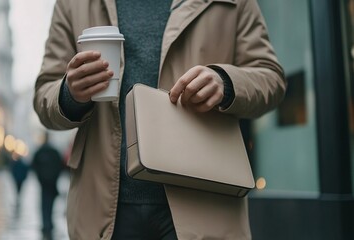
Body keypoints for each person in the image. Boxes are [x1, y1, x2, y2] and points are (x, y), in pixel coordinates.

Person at [33, 0, 286, 239]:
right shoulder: (72, 3)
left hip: (204, 202)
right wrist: (70, 93)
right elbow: (45, 95)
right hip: (102, 210)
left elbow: (271, 79)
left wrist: (225, 82)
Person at [32, 133, 64, 240]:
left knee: (44, 205)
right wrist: (54, 178)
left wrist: (40, 178)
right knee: (50, 205)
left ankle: (46, 224)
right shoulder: (54, 152)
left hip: (44, 184)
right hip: (51, 184)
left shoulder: (40, 152)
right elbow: (60, 166)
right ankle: (48, 224)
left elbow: (34, 166)